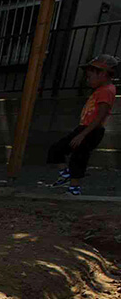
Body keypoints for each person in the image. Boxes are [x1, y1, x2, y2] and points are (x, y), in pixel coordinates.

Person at [47, 54, 118, 196]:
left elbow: (101, 116)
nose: (87, 80)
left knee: (79, 156)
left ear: (103, 74)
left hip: (91, 129)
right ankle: (66, 176)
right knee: (57, 149)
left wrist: (83, 134)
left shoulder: (107, 90)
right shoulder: (100, 90)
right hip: (85, 128)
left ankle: (74, 189)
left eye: (90, 76)